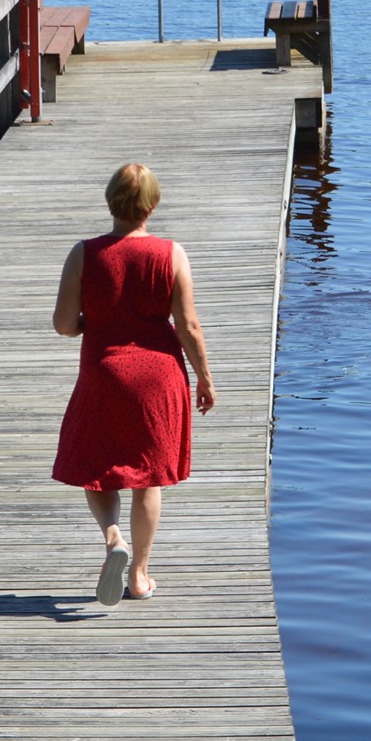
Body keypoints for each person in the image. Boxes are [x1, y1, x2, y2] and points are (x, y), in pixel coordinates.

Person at [52, 162, 215, 605]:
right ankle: (139, 577)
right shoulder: (171, 254)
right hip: (159, 378)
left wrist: (98, 321)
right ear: (153, 205)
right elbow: (189, 326)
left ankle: (112, 540)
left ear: (110, 201)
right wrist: (204, 378)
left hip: (104, 372)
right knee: (148, 477)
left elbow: (64, 325)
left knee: (96, 467)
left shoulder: (84, 253)